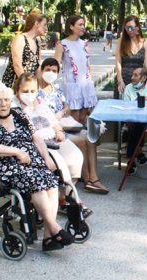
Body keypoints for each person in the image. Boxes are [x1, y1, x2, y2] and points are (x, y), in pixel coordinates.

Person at [0, 83, 73, 251]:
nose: (3, 104)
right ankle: (55, 228)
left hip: (33, 161)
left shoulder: (20, 115)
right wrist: (16, 152)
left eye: (6, 99)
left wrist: (46, 159)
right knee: (35, 182)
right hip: (9, 166)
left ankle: (48, 237)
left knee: (51, 182)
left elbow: (37, 139)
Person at [14, 74, 91, 217]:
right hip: (37, 144)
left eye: (32, 91)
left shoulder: (40, 103)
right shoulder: (15, 108)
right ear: (17, 91)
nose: (29, 95)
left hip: (53, 138)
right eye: (25, 91)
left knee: (76, 157)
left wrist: (59, 131)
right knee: (61, 164)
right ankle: (73, 199)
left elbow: (54, 121)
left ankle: (63, 197)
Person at [36, 57, 108, 194]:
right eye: (48, 70)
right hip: (51, 131)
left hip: (64, 126)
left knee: (90, 139)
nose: (51, 73)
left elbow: (67, 106)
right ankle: (89, 180)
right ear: (42, 70)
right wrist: (54, 118)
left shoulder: (56, 89)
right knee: (82, 141)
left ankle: (93, 176)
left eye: (54, 70)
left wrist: (61, 113)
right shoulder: (37, 91)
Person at [54, 15, 97, 125]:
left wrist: (90, 83)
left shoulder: (84, 44)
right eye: (80, 24)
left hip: (85, 84)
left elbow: (88, 66)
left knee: (83, 117)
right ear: (71, 26)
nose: (83, 27)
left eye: (83, 24)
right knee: (74, 119)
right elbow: (55, 65)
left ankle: (82, 141)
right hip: (71, 85)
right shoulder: (62, 44)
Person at [121, 68, 147, 173]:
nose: (132, 77)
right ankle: (138, 154)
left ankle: (131, 158)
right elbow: (126, 105)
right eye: (132, 75)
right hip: (132, 118)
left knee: (134, 127)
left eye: (136, 75)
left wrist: (138, 100)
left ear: (144, 78)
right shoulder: (128, 87)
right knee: (134, 125)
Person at [1, 10, 47, 89]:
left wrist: (45, 87)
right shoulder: (20, 39)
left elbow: (38, 68)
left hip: (29, 86)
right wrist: (27, 85)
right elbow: (17, 66)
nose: (46, 28)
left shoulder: (37, 42)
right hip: (15, 85)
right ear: (36, 24)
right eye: (45, 25)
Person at [115, 15, 147, 96]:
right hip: (123, 80)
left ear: (137, 27)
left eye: (131, 27)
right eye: (127, 28)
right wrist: (120, 80)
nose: (129, 30)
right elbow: (118, 62)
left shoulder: (145, 42)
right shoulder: (121, 41)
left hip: (139, 82)